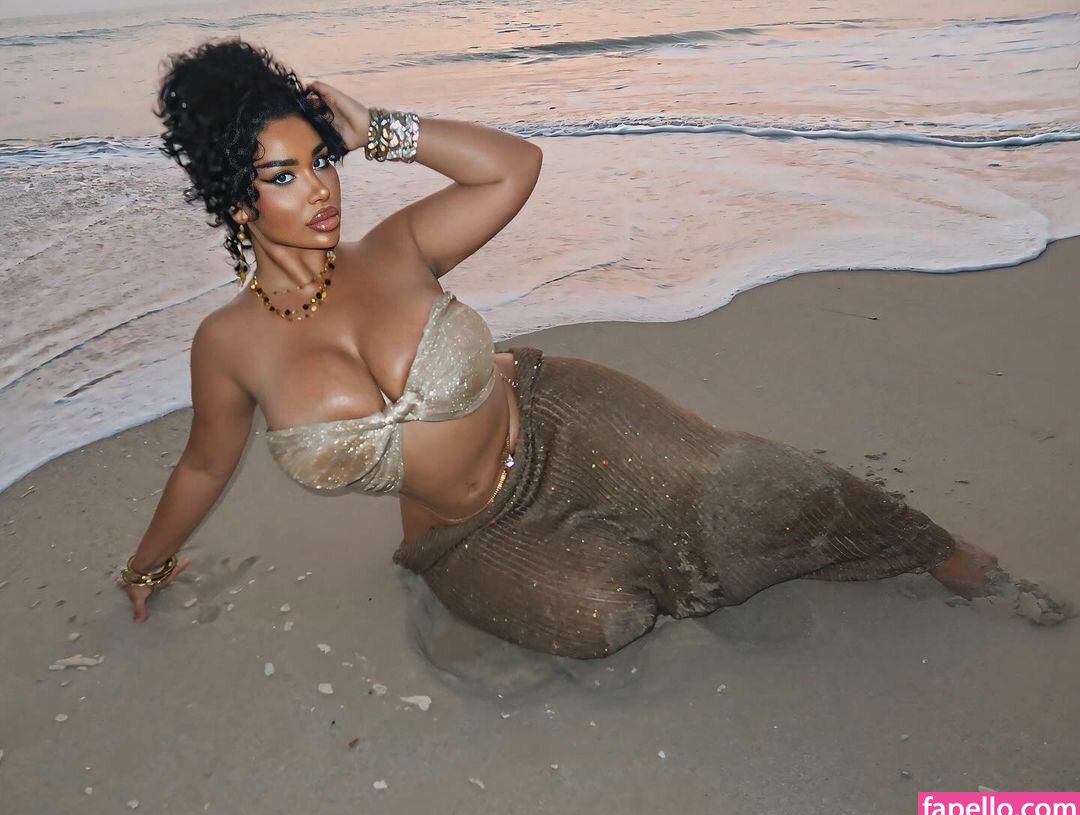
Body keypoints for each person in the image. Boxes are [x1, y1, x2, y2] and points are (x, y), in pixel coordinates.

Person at [119, 39, 1070, 657]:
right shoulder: (230, 344)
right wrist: (147, 565)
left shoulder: (398, 248)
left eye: (323, 159)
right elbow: (203, 466)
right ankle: (674, 549)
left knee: (743, 482)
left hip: (561, 420)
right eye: (286, 175)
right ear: (237, 200)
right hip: (462, 532)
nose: (324, 189)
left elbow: (514, 168)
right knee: (601, 617)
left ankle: (929, 546)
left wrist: (383, 132)